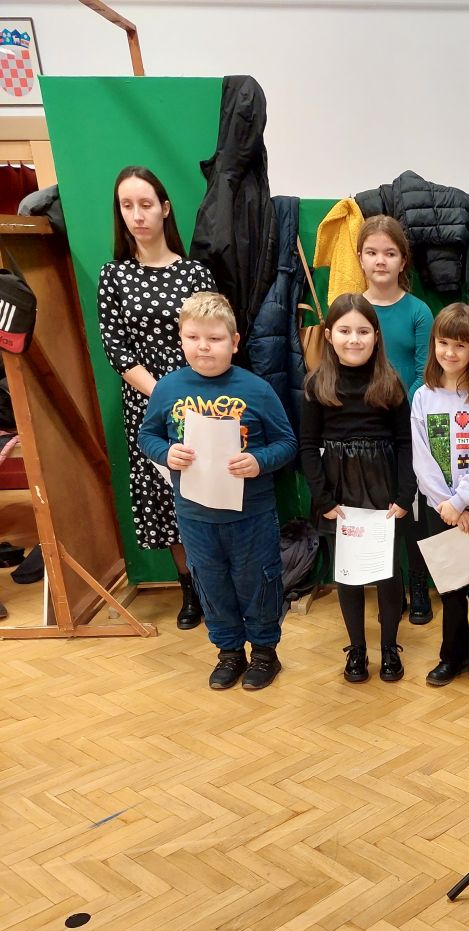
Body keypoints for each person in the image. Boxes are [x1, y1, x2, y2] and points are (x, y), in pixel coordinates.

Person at [137, 292, 296, 690]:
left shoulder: (256, 389)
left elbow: (287, 442)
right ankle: (228, 653)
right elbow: (147, 436)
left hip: (251, 515)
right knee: (211, 583)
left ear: (234, 342)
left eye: (215, 338)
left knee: (258, 581)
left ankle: (264, 653)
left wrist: (259, 460)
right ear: (181, 339)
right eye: (193, 338)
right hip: (195, 516)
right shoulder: (168, 388)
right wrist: (166, 452)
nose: (203, 347)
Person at [97, 166, 217, 629]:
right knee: (165, 499)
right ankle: (189, 589)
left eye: (145, 204)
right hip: (147, 405)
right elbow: (116, 348)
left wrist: (188, 395)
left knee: (207, 489)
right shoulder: (114, 276)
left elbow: (212, 334)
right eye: (127, 206)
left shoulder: (194, 273)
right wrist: (163, 395)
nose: (137, 215)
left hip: (201, 400)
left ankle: (215, 583)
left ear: (165, 208)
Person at [299, 293, 414, 684]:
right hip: (339, 491)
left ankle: (389, 648)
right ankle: (357, 650)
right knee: (347, 573)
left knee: (387, 572)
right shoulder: (317, 385)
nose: (354, 339)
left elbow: (405, 443)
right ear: (329, 335)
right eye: (345, 331)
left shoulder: (391, 383)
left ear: (376, 336)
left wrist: (404, 494)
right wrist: (323, 498)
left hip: (383, 488)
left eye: (363, 331)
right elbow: (307, 446)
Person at [411, 303, 469, 695]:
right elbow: (422, 460)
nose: (450, 352)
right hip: (440, 509)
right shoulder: (423, 397)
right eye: (443, 343)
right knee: (450, 589)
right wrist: (447, 505)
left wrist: (463, 501)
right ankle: (451, 657)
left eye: (460, 345)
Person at [358, 214, 435, 626]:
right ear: (360, 258)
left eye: (389, 253)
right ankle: (391, 586)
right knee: (376, 512)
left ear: (403, 260)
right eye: (372, 252)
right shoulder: (353, 309)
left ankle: (419, 585)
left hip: (409, 428)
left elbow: (425, 372)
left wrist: (401, 412)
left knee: (412, 513)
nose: (380, 261)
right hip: (365, 430)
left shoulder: (418, 311)